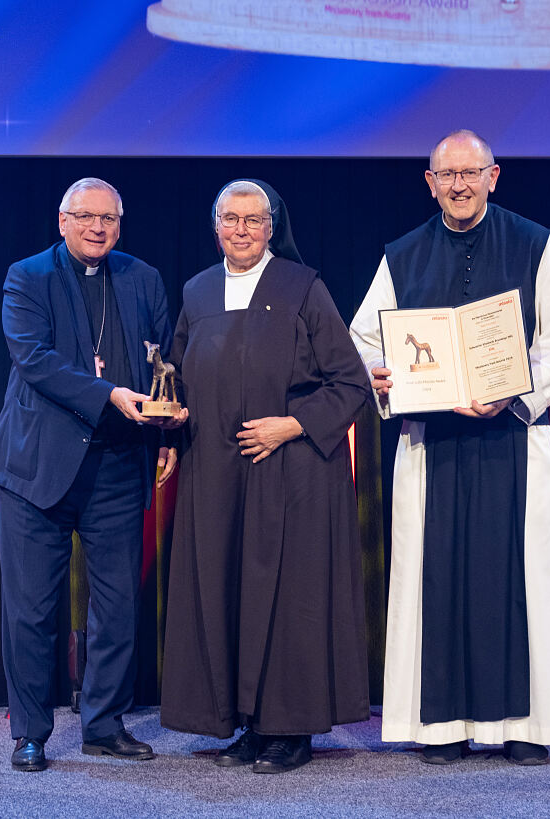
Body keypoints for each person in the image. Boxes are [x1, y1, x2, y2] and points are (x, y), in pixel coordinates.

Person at [349, 130, 550, 766]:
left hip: (512, 433)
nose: (458, 184)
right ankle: (441, 728)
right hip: (434, 440)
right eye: (445, 174)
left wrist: (511, 395)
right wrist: (381, 372)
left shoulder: (538, 245)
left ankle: (526, 726)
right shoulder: (402, 255)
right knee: (436, 575)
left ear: (493, 176)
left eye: (470, 172)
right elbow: (364, 341)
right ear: (429, 182)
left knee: (521, 580)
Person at [160, 180, 371, 774]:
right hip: (218, 477)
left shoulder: (302, 287)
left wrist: (294, 424)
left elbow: (350, 383)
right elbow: (175, 374)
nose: (242, 230)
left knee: (288, 599)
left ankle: (292, 730)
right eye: (231, 219)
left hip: (295, 474)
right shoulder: (198, 292)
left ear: (271, 226)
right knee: (228, 593)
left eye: (254, 220)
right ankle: (248, 724)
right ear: (216, 225)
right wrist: (169, 424)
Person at [0, 177, 186, 772]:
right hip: (37, 468)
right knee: (30, 611)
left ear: (120, 224)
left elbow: (162, 361)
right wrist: (110, 394)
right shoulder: (27, 277)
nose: (98, 227)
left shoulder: (142, 277)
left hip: (119, 463)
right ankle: (30, 732)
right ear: (62, 219)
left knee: (119, 605)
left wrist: (163, 427)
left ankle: (103, 723)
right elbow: (35, 360)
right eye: (86, 216)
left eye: (109, 218)